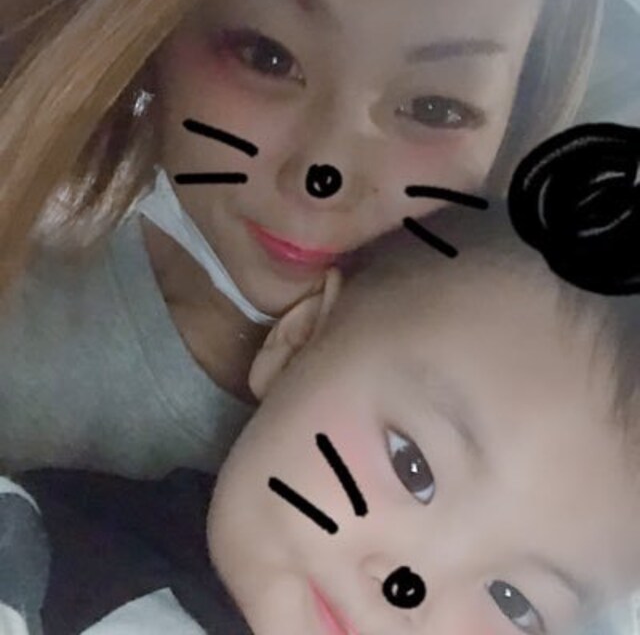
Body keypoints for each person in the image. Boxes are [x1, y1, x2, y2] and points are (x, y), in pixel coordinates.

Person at [0, 0, 603, 477]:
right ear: (160, 35)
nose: (324, 173)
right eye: (266, 57)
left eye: (435, 108)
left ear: (516, 121)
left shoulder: (553, 443)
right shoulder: (24, 332)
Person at [9, 208, 640, 635]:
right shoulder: (43, 562)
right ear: (300, 340)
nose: (409, 589)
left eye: (515, 602)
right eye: (412, 466)